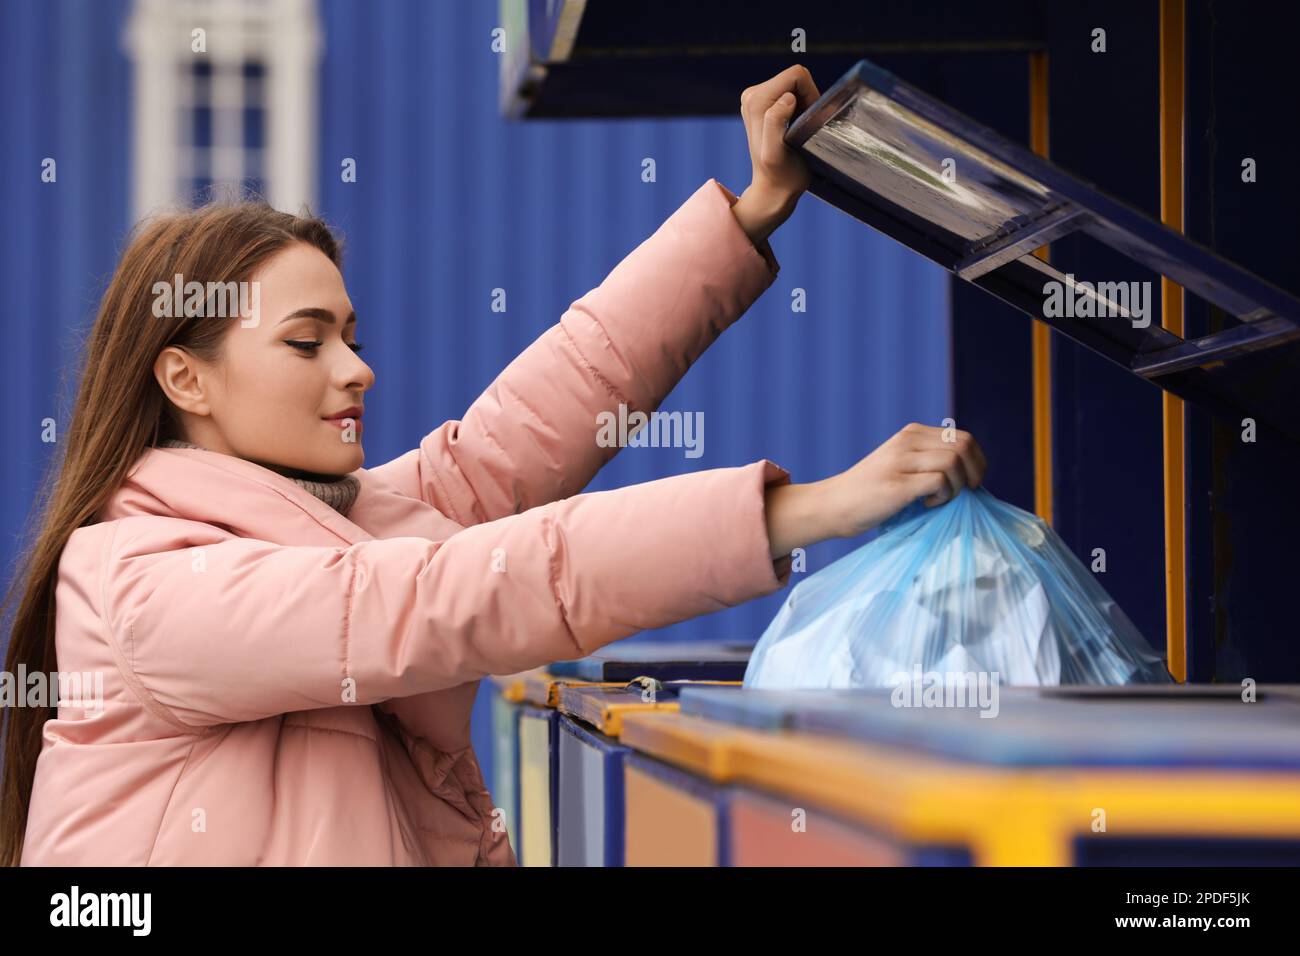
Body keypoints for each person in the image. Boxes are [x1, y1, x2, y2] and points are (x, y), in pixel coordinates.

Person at [0, 66, 985, 866]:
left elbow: (517, 433)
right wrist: (802, 510)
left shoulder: (334, 527)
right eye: (307, 343)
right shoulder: (145, 588)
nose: (357, 369)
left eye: (351, 334)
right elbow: (437, 596)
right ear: (187, 378)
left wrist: (747, 216)